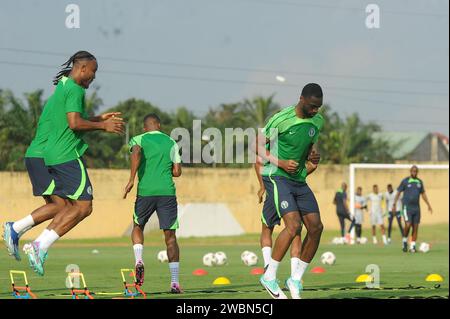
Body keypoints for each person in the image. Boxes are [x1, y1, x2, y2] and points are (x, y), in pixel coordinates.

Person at [22, 51, 124, 276]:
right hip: (66, 155)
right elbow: (75, 123)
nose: (94, 76)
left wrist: (98, 119)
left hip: (53, 155)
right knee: (84, 206)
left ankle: (37, 244)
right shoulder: (75, 89)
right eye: (93, 71)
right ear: (82, 68)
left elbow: (71, 120)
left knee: (70, 207)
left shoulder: (64, 86)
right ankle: (39, 246)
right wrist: (103, 127)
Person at [256, 83, 324, 299]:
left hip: (298, 180)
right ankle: (269, 277)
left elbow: (308, 150)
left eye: (318, 107)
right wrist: (281, 162)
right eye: (312, 106)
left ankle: (295, 279)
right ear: (301, 99)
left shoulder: (318, 121)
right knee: (293, 226)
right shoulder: (280, 119)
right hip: (277, 176)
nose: (315, 111)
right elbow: (257, 147)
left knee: (316, 227)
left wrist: (313, 157)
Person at [123, 113, 183, 294]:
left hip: (145, 192)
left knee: (138, 226)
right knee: (170, 237)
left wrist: (132, 178)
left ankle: (139, 260)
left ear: (144, 127)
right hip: (167, 193)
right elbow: (177, 171)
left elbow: (136, 152)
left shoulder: (138, 139)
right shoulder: (171, 142)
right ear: (159, 125)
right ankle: (174, 283)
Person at [255, 150, 321, 299]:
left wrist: (311, 164)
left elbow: (302, 171)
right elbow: (258, 161)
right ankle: (268, 269)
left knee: (296, 228)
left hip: (292, 188)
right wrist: (262, 186)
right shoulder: (274, 142)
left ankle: (294, 277)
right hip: (274, 189)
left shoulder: (300, 144)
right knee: (268, 227)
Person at [393, 165, 433, 253]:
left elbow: (423, 194)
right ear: (410, 171)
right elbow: (398, 192)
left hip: (416, 208)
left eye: (416, 171)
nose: (414, 172)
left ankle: (412, 246)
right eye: (413, 171)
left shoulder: (419, 182)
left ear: (417, 172)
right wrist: (394, 203)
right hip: (407, 207)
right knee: (408, 225)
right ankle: (404, 242)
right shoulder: (405, 181)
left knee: (415, 227)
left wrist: (428, 204)